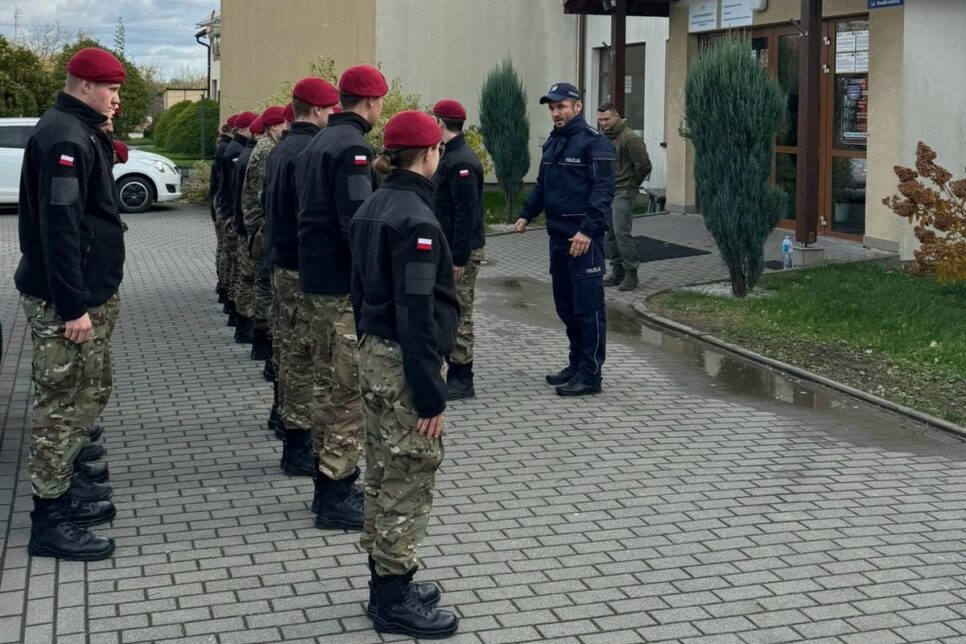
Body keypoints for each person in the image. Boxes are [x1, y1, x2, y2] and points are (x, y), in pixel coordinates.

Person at [349, 110, 460, 639]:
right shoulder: (415, 218)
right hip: (403, 361)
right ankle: (393, 599)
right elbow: (416, 311)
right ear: (430, 153)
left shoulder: (374, 203)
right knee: (407, 477)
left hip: (375, 352)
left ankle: (388, 582)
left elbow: (358, 291)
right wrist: (431, 394)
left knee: (381, 469)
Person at [15, 46, 127, 561]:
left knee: (85, 394)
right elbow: (59, 228)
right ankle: (50, 520)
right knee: (60, 407)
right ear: (86, 85)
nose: (116, 99)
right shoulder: (64, 134)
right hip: (70, 301)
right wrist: (72, 305)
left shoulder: (77, 129)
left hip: (87, 293)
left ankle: (68, 493)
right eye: (111, 90)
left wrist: (104, 138)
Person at [295, 65, 388, 531]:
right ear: (372, 102)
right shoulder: (353, 146)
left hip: (316, 278)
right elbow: (357, 222)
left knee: (323, 384)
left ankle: (326, 480)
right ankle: (335, 489)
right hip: (338, 285)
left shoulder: (321, 139)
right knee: (344, 392)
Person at [514, 82, 614, 396]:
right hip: (558, 238)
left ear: (577, 107)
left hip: (583, 240)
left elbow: (603, 192)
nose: (556, 113)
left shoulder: (594, 143)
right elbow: (543, 186)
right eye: (553, 108)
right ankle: (576, 364)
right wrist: (526, 214)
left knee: (588, 309)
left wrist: (588, 230)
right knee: (566, 307)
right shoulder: (554, 144)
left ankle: (591, 375)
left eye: (561, 106)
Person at [263, 77, 340, 472]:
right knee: (304, 357)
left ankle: (285, 420)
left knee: (288, 347)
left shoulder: (280, 148)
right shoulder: (308, 150)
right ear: (317, 110)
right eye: (330, 110)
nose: (333, 117)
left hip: (282, 260)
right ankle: (297, 444)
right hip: (299, 265)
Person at [431, 99, 484, 400]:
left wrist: (459, 256)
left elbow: (467, 214)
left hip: (460, 250)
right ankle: (452, 370)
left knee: (460, 312)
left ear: (440, 123)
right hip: (449, 247)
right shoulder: (449, 155)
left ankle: (462, 377)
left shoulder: (461, 161)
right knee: (449, 309)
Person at [241, 106, 287, 365]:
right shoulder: (268, 152)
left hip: (256, 226)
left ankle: (261, 341)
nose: (286, 129)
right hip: (262, 228)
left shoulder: (262, 149)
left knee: (263, 286)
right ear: (272, 127)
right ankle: (262, 343)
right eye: (282, 125)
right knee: (266, 290)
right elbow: (262, 196)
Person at [596, 103, 651, 291]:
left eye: (607, 119)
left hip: (624, 191)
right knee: (610, 234)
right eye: (600, 120)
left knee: (621, 233)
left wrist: (632, 184)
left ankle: (631, 274)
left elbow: (644, 165)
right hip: (607, 191)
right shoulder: (602, 137)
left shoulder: (630, 138)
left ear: (617, 117)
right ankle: (617, 272)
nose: (603, 123)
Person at [217, 111, 256, 328]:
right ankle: (237, 313)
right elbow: (236, 188)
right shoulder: (236, 151)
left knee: (233, 262)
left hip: (228, 211)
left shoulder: (233, 148)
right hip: (232, 213)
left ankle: (232, 305)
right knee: (240, 268)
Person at [229, 114, 259, 344]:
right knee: (248, 278)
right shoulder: (240, 153)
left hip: (239, 221)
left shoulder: (241, 152)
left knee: (242, 274)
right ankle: (244, 326)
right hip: (243, 225)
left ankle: (240, 320)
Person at [212, 118, 236, 305]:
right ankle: (227, 293)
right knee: (232, 257)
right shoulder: (231, 150)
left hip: (221, 204)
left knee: (224, 251)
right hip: (227, 209)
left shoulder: (224, 148)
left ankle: (224, 288)